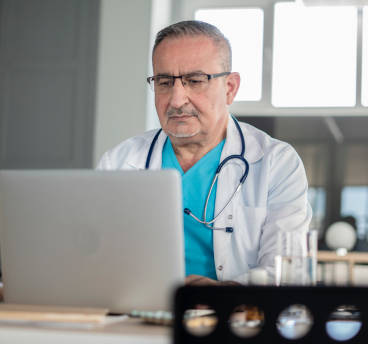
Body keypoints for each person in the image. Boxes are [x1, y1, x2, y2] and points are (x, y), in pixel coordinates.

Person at [97, 20, 312, 285]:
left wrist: (220, 295)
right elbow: (98, 260)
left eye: (195, 81)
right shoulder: (119, 162)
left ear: (230, 88)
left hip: (236, 318)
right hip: (138, 317)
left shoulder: (276, 163)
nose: (176, 100)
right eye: (164, 82)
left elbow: (287, 270)